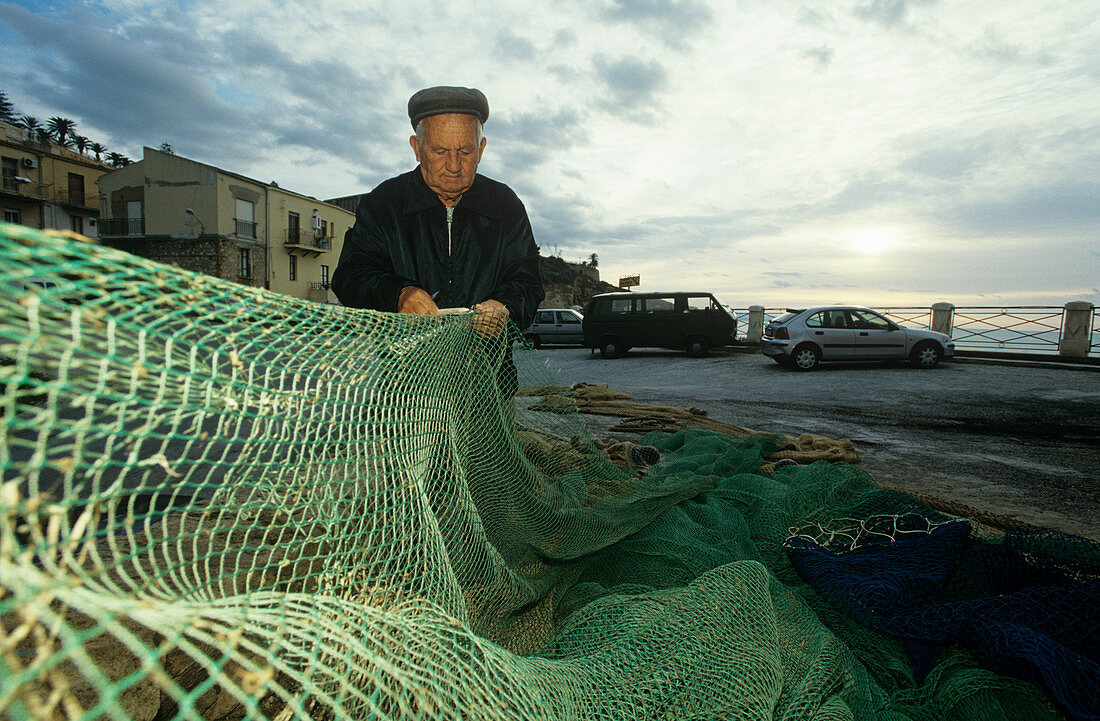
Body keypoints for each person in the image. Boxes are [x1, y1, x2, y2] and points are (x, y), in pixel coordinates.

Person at [331, 86, 545, 354]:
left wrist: (505, 306)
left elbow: (528, 282)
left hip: (486, 381)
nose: (454, 166)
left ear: (481, 148)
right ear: (417, 148)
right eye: (440, 151)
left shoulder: (505, 204)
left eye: (465, 152)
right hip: (405, 382)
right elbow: (350, 276)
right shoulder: (383, 203)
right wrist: (398, 294)